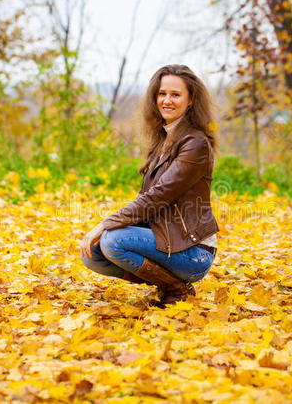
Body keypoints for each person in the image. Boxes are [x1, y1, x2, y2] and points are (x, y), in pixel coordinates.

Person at [79, 64, 219, 306]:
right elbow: (146, 199)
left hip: (194, 251)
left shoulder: (195, 143)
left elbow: (157, 197)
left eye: (176, 95)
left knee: (113, 241)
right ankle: (170, 285)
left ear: (190, 100)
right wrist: (108, 226)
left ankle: (175, 288)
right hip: (166, 240)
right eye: (162, 93)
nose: (167, 100)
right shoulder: (165, 139)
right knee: (93, 255)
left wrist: (105, 225)